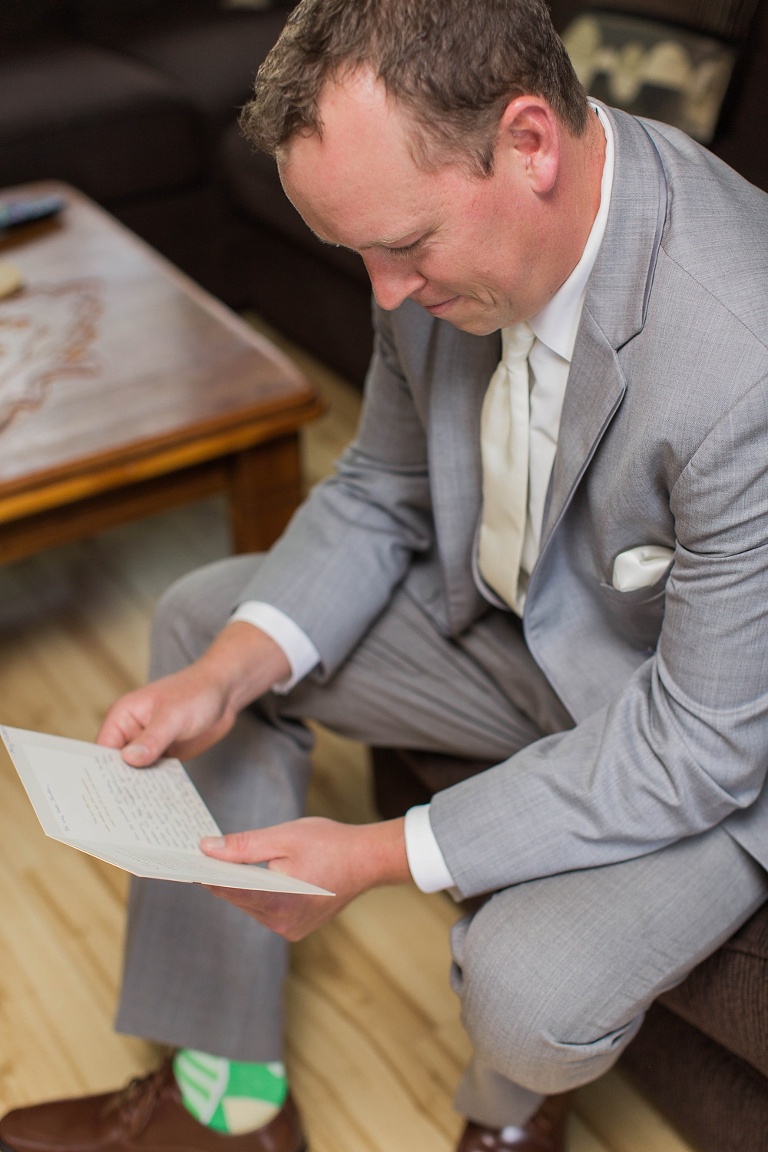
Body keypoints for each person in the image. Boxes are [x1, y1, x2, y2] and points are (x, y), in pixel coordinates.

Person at [3, 0, 768, 1149]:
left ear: (527, 143)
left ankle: (511, 1122)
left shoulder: (742, 361)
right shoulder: (416, 259)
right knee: (206, 621)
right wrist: (227, 674)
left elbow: (701, 744)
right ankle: (233, 1105)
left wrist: (376, 855)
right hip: (527, 633)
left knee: (523, 993)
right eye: (353, 253)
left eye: (404, 248)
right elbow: (378, 490)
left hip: (714, 741)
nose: (384, 295)